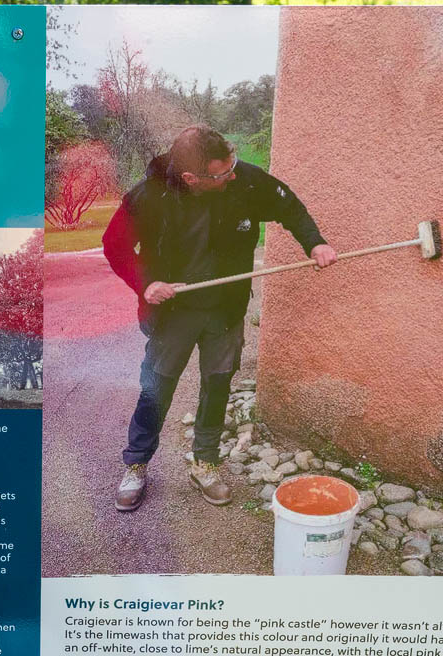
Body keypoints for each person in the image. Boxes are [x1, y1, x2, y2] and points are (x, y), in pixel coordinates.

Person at [103, 125, 337, 512]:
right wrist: (146, 284)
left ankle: (205, 464)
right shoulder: (151, 196)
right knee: (156, 388)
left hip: (225, 311)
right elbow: (114, 244)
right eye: (223, 172)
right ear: (192, 177)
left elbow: (289, 206)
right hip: (172, 314)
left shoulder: (243, 180)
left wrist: (315, 242)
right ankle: (137, 464)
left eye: (232, 165)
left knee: (217, 385)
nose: (234, 174)